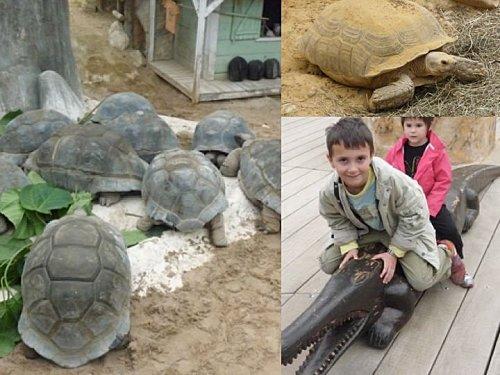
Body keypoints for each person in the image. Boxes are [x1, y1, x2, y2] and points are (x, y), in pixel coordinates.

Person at [318, 117, 470, 292]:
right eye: (343, 160)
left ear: (371, 155)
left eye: (360, 159)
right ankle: (372, 247)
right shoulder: (330, 191)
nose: (353, 169)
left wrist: (394, 252)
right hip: (367, 230)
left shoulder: (394, 181)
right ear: (330, 160)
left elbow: (415, 215)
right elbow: (335, 217)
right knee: (327, 263)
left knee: (421, 280)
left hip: (402, 227)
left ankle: (447, 251)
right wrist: (349, 244)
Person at [385, 117, 473, 287]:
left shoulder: (436, 151)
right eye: (408, 125)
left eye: (418, 126)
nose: (413, 130)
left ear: (428, 126)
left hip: (429, 203)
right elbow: (388, 176)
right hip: (403, 206)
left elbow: (443, 181)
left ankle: (457, 261)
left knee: (449, 229)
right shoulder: (396, 151)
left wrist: (429, 207)